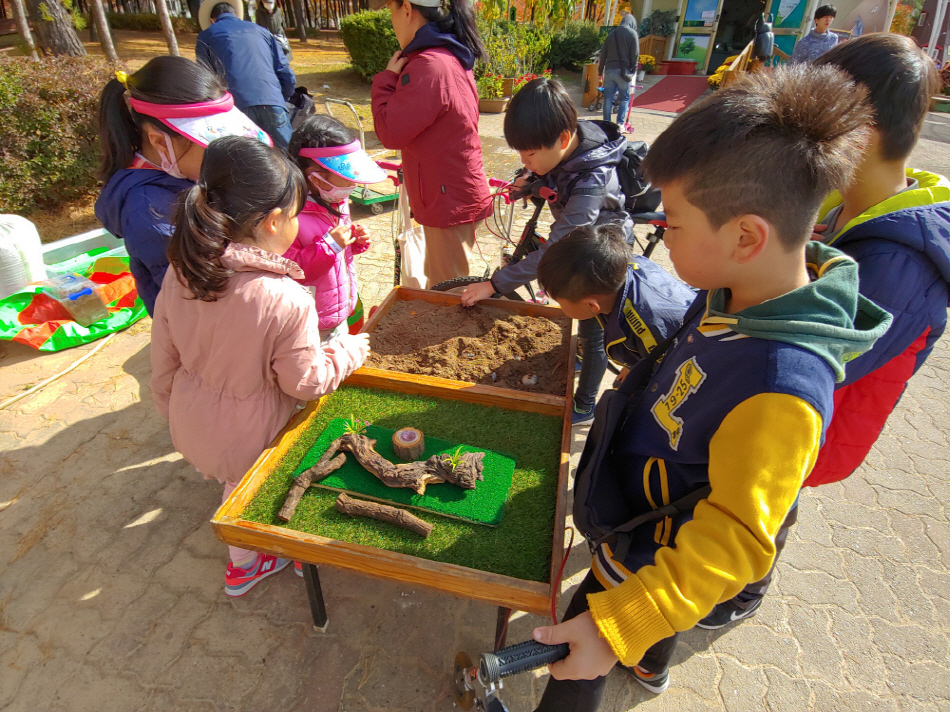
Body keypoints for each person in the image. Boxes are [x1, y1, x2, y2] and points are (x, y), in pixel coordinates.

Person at [528, 64, 891, 709]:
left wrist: (624, 626)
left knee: (574, 676)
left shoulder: (782, 386)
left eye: (673, 224)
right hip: (631, 530)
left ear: (746, 236)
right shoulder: (729, 294)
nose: (660, 240)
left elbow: (737, 536)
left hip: (656, 565)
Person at [699, 34, 950, 628]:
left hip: (822, 419)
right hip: (796, 401)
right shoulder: (850, 202)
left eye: (815, 124)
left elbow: (823, 361)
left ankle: (743, 590)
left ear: (861, 129)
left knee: (772, 493)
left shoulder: (898, 263)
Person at [150, 136, 370, 597]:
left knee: (231, 477)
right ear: (273, 222)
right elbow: (306, 382)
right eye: (294, 215)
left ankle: (251, 550)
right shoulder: (285, 297)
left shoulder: (183, 268)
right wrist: (349, 352)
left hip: (192, 420)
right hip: (253, 436)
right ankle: (248, 561)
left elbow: (163, 355)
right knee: (250, 486)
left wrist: (172, 409)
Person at [461, 77, 633, 425]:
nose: (526, 160)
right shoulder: (563, 143)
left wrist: (496, 284)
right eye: (521, 152)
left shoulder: (592, 180)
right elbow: (552, 171)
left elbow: (558, 248)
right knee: (576, 318)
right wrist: (533, 181)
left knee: (593, 325)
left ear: (564, 139)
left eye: (531, 153)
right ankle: (578, 355)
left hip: (600, 256)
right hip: (579, 242)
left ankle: (584, 404)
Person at [95, 56, 272, 316]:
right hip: (201, 328)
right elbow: (200, 295)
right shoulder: (149, 212)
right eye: (213, 147)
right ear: (160, 142)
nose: (227, 158)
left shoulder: (182, 175)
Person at [369, 0, 493, 287]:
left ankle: (450, 333)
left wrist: (386, 80)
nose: (392, 21)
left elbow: (390, 131)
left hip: (447, 199)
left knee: (447, 291)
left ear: (408, 9)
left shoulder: (430, 66)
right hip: (451, 192)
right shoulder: (445, 56)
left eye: (391, 11)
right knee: (447, 284)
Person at [285, 115, 386, 343]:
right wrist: (330, 246)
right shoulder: (290, 213)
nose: (353, 185)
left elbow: (340, 252)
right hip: (310, 322)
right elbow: (291, 269)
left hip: (337, 309)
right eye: (345, 178)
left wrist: (355, 241)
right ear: (316, 177)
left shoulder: (334, 200)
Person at [537, 224, 694, 369]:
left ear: (591, 305)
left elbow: (670, 376)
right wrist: (633, 365)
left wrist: (643, 372)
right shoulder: (617, 269)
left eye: (559, 301)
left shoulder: (647, 332)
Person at [196, 0, 296, 149]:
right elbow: (284, 70)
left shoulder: (207, 35)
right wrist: (282, 98)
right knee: (289, 159)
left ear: (212, 20)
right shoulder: (262, 31)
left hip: (236, 107)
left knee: (250, 164)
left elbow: (205, 78)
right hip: (273, 101)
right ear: (236, 15)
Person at [598, 12, 639, 127]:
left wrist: (600, 72)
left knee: (608, 98)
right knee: (624, 98)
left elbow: (603, 55)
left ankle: (606, 123)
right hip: (623, 72)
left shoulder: (611, 35)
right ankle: (620, 124)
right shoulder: (632, 34)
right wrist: (633, 71)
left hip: (609, 71)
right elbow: (635, 55)